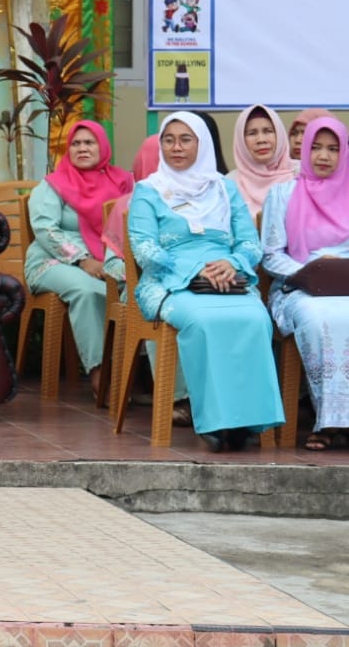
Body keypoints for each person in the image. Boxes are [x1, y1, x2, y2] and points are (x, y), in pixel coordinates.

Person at [127, 112, 284, 452]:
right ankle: (215, 421)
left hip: (227, 277)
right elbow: (145, 249)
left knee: (255, 318)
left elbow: (249, 243)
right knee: (202, 321)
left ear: (202, 143)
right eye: (169, 140)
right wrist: (193, 272)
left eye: (186, 139)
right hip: (171, 281)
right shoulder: (147, 191)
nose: (176, 147)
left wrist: (232, 262)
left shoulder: (225, 188)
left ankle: (247, 420)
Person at [24, 120, 132, 402]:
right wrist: (82, 260)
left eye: (89, 142)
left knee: (134, 293)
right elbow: (46, 230)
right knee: (89, 292)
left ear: (103, 147)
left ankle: (134, 375)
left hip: (108, 259)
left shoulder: (122, 182)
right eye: (76, 143)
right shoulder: (53, 185)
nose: (82, 148)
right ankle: (100, 375)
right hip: (54, 261)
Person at [261, 116, 349, 452]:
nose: (324, 156)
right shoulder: (283, 194)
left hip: (346, 289)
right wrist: (306, 274)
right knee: (317, 318)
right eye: (316, 147)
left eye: (333, 149)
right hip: (297, 288)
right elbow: (271, 254)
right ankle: (328, 419)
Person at [227, 104, 295, 218]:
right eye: (252, 133)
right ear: (241, 140)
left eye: (268, 131)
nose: (261, 140)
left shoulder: (300, 175)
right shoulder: (229, 184)